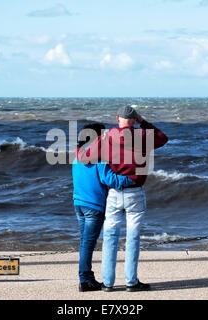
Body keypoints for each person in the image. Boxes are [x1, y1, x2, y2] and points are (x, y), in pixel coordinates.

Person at [77, 106, 168, 292]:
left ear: (118, 118)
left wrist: (80, 148)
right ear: (134, 120)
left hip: (114, 193)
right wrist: (143, 122)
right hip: (135, 191)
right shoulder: (143, 136)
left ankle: (108, 283)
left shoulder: (107, 137)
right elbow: (163, 138)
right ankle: (131, 282)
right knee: (133, 237)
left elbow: (84, 158)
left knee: (110, 236)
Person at [72, 123, 134, 292]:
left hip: (79, 203)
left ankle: (87, 278)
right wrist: (132, 179)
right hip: (93, 206)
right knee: (87, 243)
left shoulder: (77, 156)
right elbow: (111, 179)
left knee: (85, 242)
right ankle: (85, 280)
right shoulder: (98, 158)